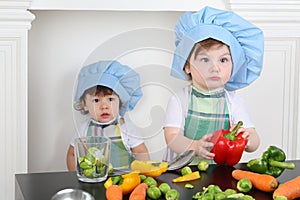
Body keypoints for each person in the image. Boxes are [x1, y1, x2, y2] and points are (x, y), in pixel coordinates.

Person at [164, 6, 264, 162]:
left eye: (223, 60)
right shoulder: (180, 99)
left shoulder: (233, 102)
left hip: (220, 170)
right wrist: (195, 146)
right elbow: (172, 137)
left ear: (234, 65)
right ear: (187, 65)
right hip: (183, 171)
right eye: (205, 60)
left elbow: (254, 138)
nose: (215, 68)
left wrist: (248, 139)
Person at [66, 60, 150, 171]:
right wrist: (74, 176)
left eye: (110, 99)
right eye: (96, 100)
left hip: (124, 182)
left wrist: (145, 175)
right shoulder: (83, 129)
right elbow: (72, 154)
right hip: (95, 181)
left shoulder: (126, 127)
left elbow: (140, 152)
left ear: (120, 102)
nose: (104, 106)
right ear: (84, 104)